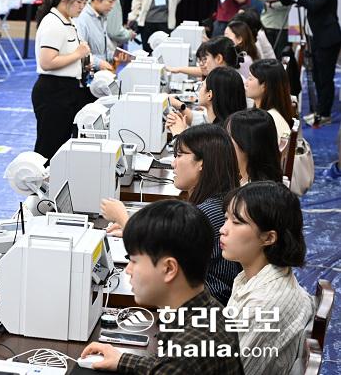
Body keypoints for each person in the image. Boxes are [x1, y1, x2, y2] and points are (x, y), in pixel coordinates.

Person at [82, 200, 244, 374]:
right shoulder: (211, 309)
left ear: (168, 269)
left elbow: (174, 366)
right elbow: (163, 366)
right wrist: (122, 360)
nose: (128, 270)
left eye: (134, 261)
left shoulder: (186, 356)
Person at [103, 124, 242, 305]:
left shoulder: (207, 212)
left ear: (202, 163)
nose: (173, 163)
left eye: (179, 155)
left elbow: (165, 259)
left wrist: (125, 221)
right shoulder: (219, 201)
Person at [220, 181, 314, 375]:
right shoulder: (257, 278)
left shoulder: (263, 304)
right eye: (226, 219)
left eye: (236, 222)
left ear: (269, 238)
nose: (223, 229)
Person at [32, 0, 91, 161]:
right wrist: (78, 54)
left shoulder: (67, 20)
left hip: (66, 90)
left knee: (60, 147)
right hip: (53, 92)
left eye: (84, 2)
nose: (82, 7)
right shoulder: (53, 23)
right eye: (78, 1)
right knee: (48, 150)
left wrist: (82, 62)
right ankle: (40, 179)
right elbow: (47, 62)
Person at [280, 0, 341, 127]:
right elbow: (289, 0)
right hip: (314, 38)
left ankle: (325, 114)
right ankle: (318, 111)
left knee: (325, 77)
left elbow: (313, 6)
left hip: (327, 39)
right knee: (316, 76)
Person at [166, 66, 246, 135]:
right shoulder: (231, 126)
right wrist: (180, 107)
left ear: (209, 95)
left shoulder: (217, 135)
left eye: (202, 85)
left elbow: (187, 149)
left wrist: (179, 134)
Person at [226, 109, 283, 184]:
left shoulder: (255, 189)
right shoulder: (247, 180)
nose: (225, 141)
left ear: (245, 143)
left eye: (229, 136)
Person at [245, 59, 295, 144]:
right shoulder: (272, 115)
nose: (246, 83)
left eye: (250, 79)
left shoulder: (268, 121)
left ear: (264, 86)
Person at [74, 0, 118, 71]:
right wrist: (99, 63)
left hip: (100, 72)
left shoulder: (101, 16)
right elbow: (77, 52)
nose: (112, 6)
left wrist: (116, 55)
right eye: (110, 1)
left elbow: (102, 50)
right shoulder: (82, 19)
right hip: (88, 73)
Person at [166, 35, 239, 79]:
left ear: (218, 59)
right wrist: (179, 69)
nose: (201, 64)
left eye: (205, 59)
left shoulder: (222, 83)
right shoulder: (229, 76)